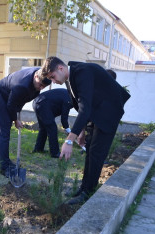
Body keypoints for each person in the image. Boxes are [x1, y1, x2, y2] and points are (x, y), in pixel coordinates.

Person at [41, 57, 130, 205]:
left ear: (60, 69)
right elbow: (84, 106)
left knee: (96, 153)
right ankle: (83, 188)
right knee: (90, 149)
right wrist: (81, 131)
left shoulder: (82, 72)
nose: (53, 81)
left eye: (52, 77)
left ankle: (88, 192)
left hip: (108, 113)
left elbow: (85, 109)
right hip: (96, 113)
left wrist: (69, 140)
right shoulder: (70, 78)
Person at [0, 67, 51, 177]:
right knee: (5, 130)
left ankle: (6, 161)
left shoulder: (40, 75)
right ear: (36, 76)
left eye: (43, 87)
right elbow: (11, 105)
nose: (40, 88)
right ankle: (4, 167)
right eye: (40, 84)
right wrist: (15, 120)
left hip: (10, 96)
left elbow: (21, 100)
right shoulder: (22, 85)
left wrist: (17, 113)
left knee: (6, 127)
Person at [32, 88, 73, 158]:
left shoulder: (67, 94)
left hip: (37, 102)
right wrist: (68, 129)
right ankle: (55, 153)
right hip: (43, 104)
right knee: (52, 128)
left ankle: (38, 149)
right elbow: (64, 116)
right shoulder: (69, 99)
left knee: (43, 128)